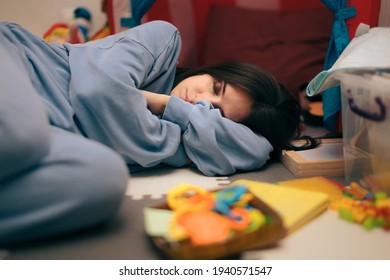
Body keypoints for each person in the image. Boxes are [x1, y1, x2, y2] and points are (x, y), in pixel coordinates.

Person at [0, 20, 304, 246]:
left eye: (217, 113)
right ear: (214, 70)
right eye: (216, 88)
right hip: (20, 67)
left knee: (105, 180)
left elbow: (256, 150)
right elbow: (99, 91)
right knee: (24, 136)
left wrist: (167, 106)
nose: (200, 101)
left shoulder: (180, 127)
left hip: (56, 132)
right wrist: (176, 125)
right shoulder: (163, 38)